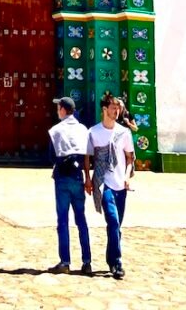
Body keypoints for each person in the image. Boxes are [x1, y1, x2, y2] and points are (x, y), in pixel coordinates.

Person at [85, 95, 134, 280]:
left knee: (116, 226)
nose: (117, 111)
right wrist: (88, 179)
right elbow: (88, 157)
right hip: (104, 183)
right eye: (113, 107)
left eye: (118, 108)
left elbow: (130, 157)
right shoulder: (94, 132)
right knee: (112, 221)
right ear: (104, 109)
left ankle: (110, 257)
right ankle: (117, 263)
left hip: (120, 184)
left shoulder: (124, 133)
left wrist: (128, 176)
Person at [49, 96, 92, 276]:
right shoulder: (83, 129)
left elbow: (51, 156)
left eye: (58, 107)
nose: (57, 110)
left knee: (63, 221)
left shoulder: (56, 130)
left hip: (62, 178)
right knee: (81, 220)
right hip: (78, 176)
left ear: (63, 110)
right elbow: (88, 155)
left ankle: (65, 261)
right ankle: (87, 262)